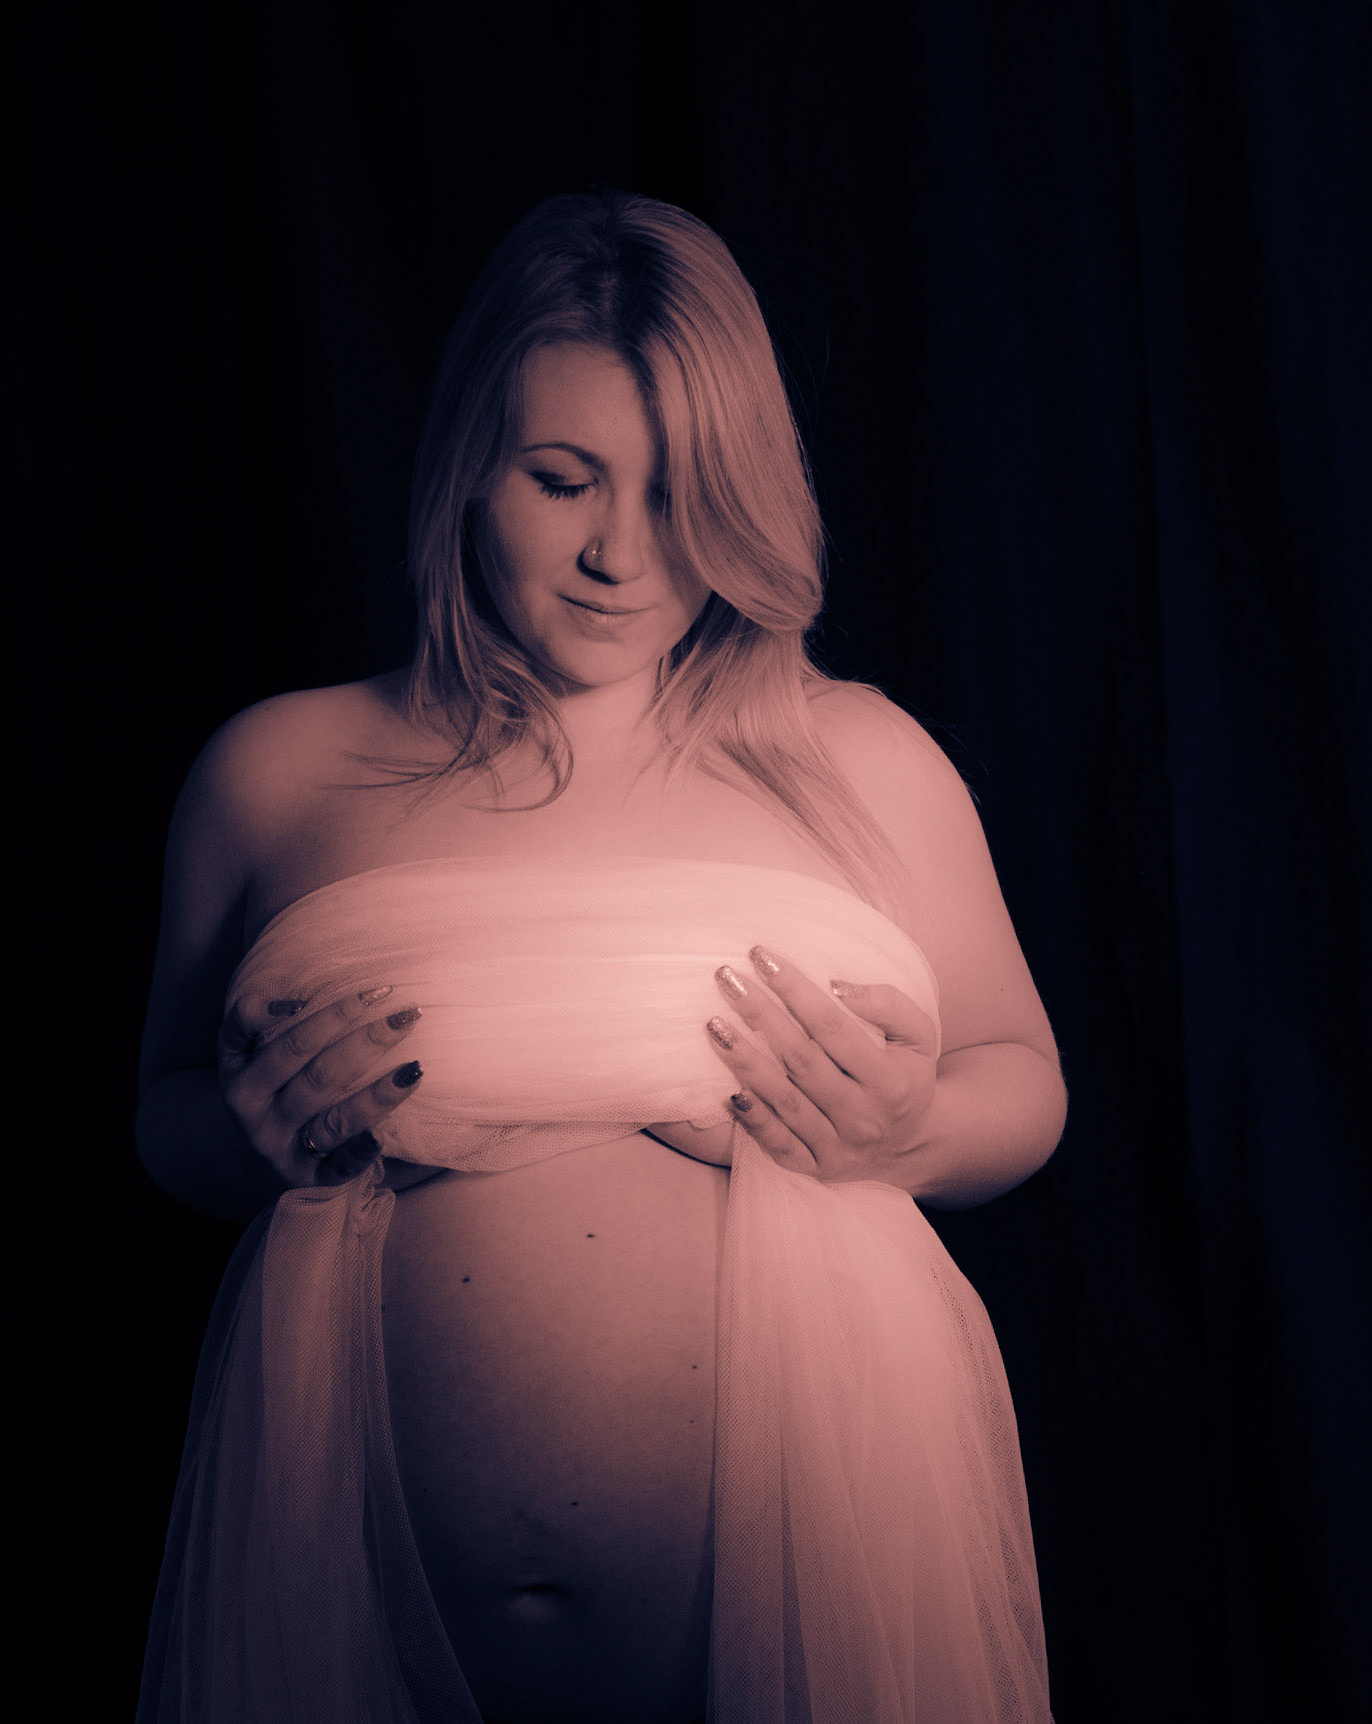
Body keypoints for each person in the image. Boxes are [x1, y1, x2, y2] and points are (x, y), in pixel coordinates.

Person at [135, 191, 1067, 1724]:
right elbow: (167, 1112)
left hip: (827, 1585)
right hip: (338, 1590)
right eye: (561, 480)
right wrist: (243, 1135)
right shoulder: (278, 775)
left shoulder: (860, 761)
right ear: (465, 468)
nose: (621, 555)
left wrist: (909, 1126)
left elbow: (1021, 1079)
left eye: (683, 494)